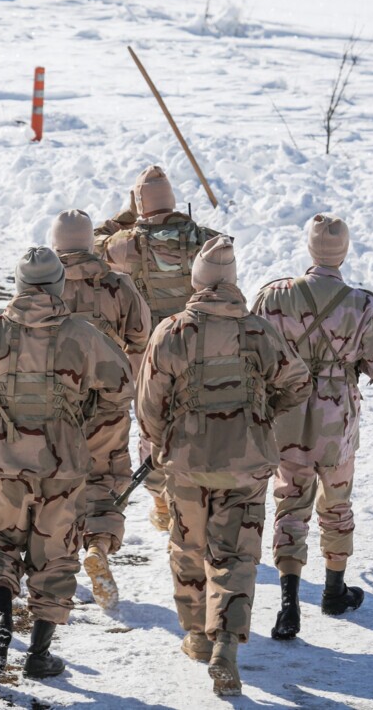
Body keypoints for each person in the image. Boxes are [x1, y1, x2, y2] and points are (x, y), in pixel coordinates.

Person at [0, 247, 134, 678]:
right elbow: (122, 387)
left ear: (18, 284)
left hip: (1, 464)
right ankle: (39, 653)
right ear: (58, 286)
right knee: (56, 556)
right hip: (62, 467)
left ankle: (0, 619)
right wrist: (86, 417)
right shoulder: (81, 335)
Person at [136, 236, 310, 696]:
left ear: (196, 282)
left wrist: (161, 443)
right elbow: (297, 382)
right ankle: (226, 644)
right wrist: (262, 411)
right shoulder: (259, 331)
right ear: (232, 283)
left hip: (188, 465)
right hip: (247, 464)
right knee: (235, 557)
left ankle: (195, 634)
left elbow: (148, 403)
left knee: (188, 547)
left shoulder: (171, 331)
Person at [251, 214, 373, 640]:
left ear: (309, 248)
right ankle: (334, 592)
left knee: (289, 503)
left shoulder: (274, 295)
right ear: (345, 251)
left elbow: (253, 351)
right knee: (336, 505)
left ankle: (288, 608)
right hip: (337, 422)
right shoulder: (365, 305)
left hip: (288, 413)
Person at [99, 165, 222, 532]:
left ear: (140, 204)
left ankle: (159, 498)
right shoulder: (203, 237)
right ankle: (201, 498)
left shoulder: (125, 243)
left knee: (153, 426)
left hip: (149, 353)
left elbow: (85, 248)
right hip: (198, 347)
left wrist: (123, 218)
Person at [49, 209, 151, 609]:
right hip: (107, 400)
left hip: (51, 402)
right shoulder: (118, 284)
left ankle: (56, 558)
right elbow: (141, 337)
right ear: (91, 241)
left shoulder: (42, 284)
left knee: (54, 479)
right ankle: (98, 546)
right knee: (105, 478)